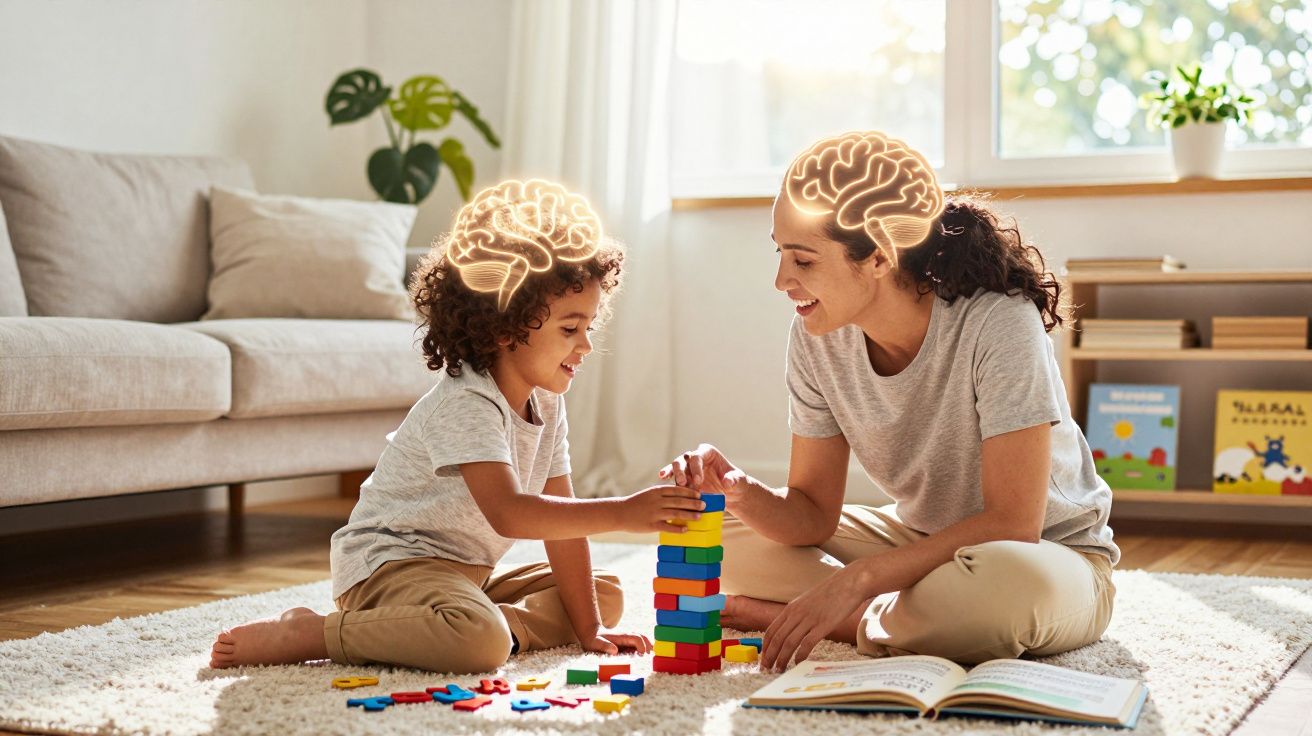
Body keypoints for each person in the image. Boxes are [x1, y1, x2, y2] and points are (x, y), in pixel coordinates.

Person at [660, 131, 1118, 672]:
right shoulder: (816, 336)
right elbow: (811, 515)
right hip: (920, 543)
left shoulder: (999, 321)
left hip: (1046, 555)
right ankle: (900, 615)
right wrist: (739, 492)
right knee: (719, 533)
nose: (782, 280)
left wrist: (859, 580)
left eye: (803, 260)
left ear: (879, 256)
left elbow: (1013, 523)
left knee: (1004, 593)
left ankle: (837, 617)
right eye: (780, 253)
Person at [210, 179, 708, 673]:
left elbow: (562, 522)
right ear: (506, 327)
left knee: (603, 594)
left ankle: (481, 627)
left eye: (589, 327)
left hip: (468, 578)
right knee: (478, 642)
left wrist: (590, 629)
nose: (587, 345)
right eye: (570, 329)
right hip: (390, 566)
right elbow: (509, 514)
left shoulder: (547, 402)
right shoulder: (466, 401)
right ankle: (313, 632)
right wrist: (622, 512)